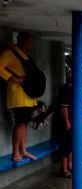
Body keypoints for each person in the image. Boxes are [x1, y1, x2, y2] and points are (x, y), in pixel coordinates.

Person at [0, 32, 37, 162]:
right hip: (17, 94)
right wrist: (13, 78)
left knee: (24, 124)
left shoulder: (26, 56)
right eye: (30, 40)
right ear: (23, 41)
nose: (32, 43)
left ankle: (23, 150)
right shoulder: (9, 53)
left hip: (28, 95)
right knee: (20, 123)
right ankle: (15, 152)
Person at [57, 75, 73, 178]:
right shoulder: (66, 89)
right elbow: (64, 108)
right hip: (65, 122)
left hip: (70, 121)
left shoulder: (70, 88)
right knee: (65, 145)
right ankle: (64, 169)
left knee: (69, 144)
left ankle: (69, 165)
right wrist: (67, 122)